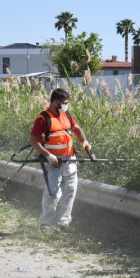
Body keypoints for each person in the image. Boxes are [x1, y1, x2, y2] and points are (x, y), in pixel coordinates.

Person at [29, 88, 91, 231]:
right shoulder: (43, 118)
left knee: (70, 191)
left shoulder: (66, 114)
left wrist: (84, 141)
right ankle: (46, 223)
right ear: (55, 102)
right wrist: (48, 156)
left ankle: (63, 223)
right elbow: (34, 141)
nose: (66, 106)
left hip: (70, 159)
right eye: (64, 103)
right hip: (52, 162)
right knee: (53, 193)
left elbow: (76, 128)